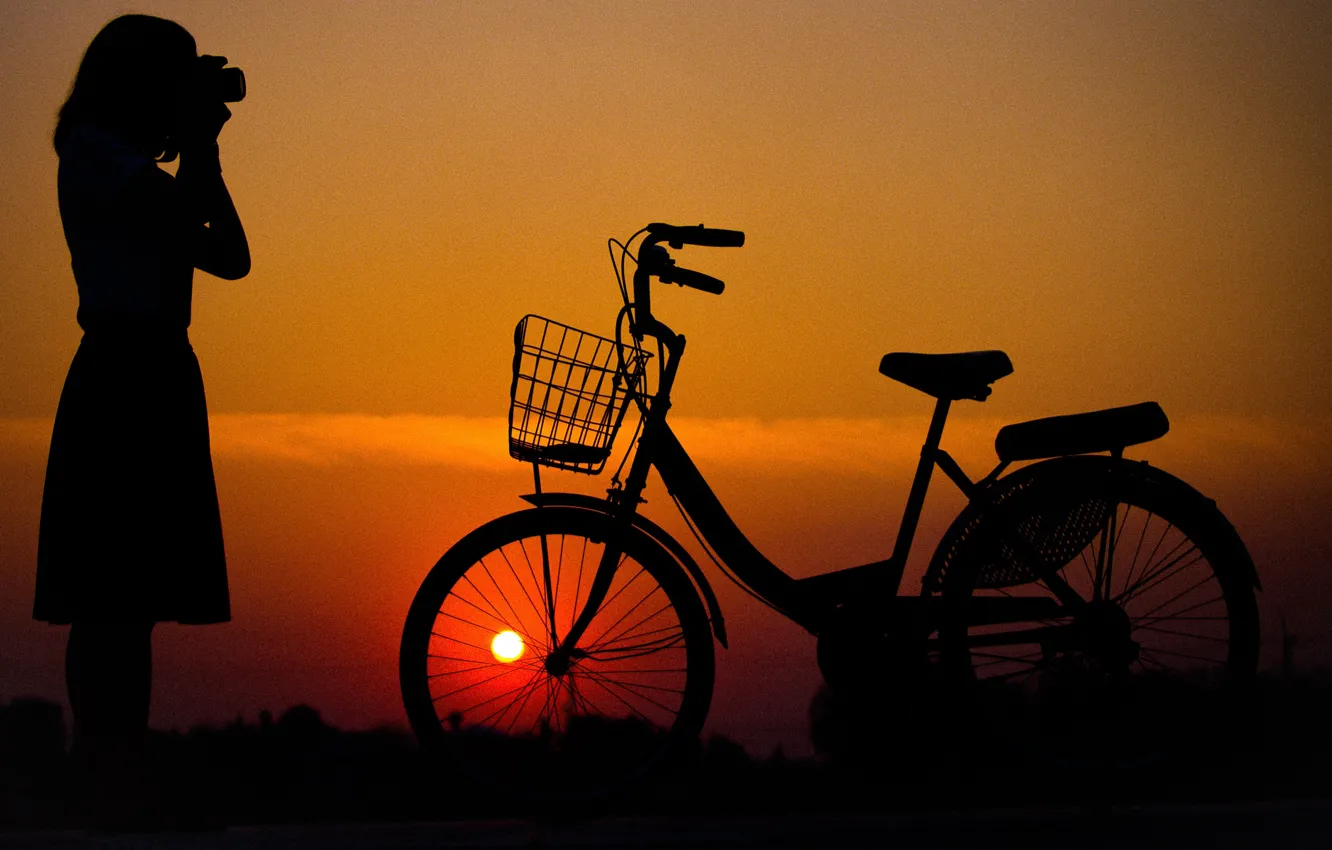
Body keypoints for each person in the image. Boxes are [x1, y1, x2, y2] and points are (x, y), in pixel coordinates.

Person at [34, 14, 249, 817]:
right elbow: (182, 222)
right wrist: (198, 138)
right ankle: (103, 769)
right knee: (107, 600)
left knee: (139, 600)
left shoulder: (125, 161)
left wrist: (207, 144)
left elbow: (230, 257)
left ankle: (117, 771)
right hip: (122, 369)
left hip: (159, 371)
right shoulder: (91, 150)